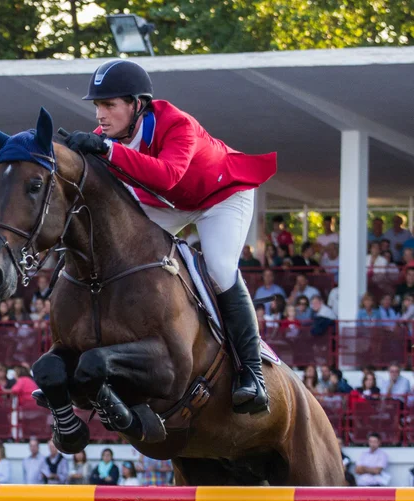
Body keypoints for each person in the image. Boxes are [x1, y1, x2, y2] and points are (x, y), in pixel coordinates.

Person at [65, 60, 277, 414]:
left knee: (221, 271)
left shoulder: (177, 123)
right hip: (170, 203)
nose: (100, 114)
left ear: (137, 104)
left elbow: (168, 176)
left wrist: (108, 152)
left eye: (109, 105)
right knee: (120, 246)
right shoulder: (107, 138)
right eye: (97, 106)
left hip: (221, 197)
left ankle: (252, 373)